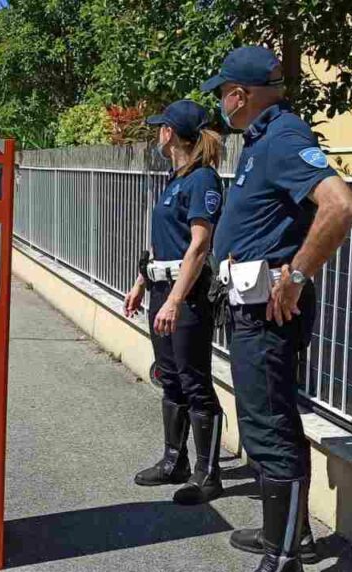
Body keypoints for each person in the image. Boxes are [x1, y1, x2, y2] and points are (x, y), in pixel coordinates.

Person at [201, 46, 352, 572]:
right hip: (251, 306)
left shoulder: (283, 137)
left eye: (223, 94)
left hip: (269, 310)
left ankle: (285, 557)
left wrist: (296, 274)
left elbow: (341, 205)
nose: (221, 104)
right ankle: (286, 535)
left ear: (241, 95)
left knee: (270, 426)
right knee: (266, 421)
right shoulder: (262, 141)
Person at [124, 100, 226, 506]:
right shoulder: (175, 179)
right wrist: (140, 283)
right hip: (162, 290)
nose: (156, 134)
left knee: (194, 380)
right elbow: (160, 244)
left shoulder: (203, 180)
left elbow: (200, 245)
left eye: (159, 128)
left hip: (186, 297)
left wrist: (176, 301)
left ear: (170, 133)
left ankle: (208, 473)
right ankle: (174, 461)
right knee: (169, 376)